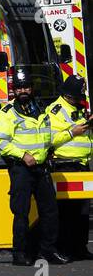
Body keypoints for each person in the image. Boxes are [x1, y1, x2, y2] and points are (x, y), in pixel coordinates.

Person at [0, 68, 70, 265]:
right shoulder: (7, 113)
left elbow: (47, 134)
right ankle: (19, 253)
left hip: (41, 167)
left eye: (26, 87)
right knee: (21, 212)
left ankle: (48, 251)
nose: (23, 91)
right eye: (19, 88)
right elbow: (0, 142)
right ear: (14, 90)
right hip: (21, 168)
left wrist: (50, 149)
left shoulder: (41, 108)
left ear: (32, 88)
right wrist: (23, 155)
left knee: (50, 210)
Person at [47, 74, 93, 259]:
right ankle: (64, 248)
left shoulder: (80, 107)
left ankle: (80, 248)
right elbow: (49, 139)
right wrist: (71, 132)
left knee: (83, 211)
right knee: (66, 211)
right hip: (65, 166)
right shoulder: (55, 111)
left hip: (82, 165)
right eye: (76, 97)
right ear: (67, 95)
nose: (78, 100)